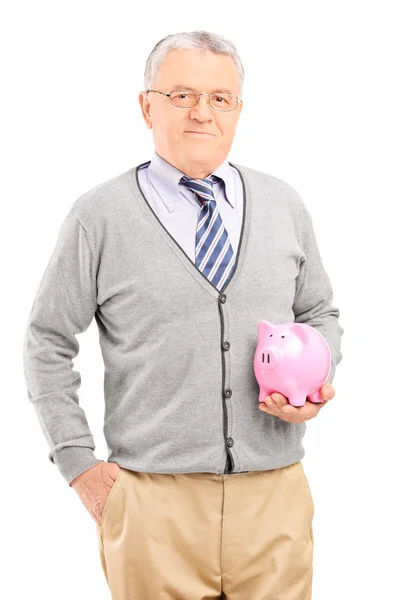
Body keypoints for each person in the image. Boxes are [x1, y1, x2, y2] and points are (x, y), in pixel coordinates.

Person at [22, 29, 344, 600]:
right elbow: (47, 339)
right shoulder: (99, 216)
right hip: (151, 504)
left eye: (220, 98)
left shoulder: (283, 204)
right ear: (146, 105)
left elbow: (319, 311)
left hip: (275, 495)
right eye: (181, 94)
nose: (202, 112)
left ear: (238, 111)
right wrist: (77, 463)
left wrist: (314, 383)